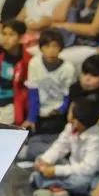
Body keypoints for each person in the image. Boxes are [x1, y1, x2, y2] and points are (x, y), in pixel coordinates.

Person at [32, 98, 99, 196]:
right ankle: (58, 190)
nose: (68, 115)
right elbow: (59, 146)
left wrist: (56, 170)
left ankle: (49, 184)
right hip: (71, 166)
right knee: (42, 159)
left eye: (70, 112)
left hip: (89, 174)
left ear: (77, 120)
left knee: (81, 182)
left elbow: (87, 169)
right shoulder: (71, 127)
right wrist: (45, 161)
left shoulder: (97, 139)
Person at [22, 29, 77, 158]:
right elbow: (33, 92)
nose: (51, 50)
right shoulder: (35, 63)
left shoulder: (68, 68)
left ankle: (51, 153)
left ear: (61, 48)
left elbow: (68, 96)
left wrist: (60, 110)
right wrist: (31, 117)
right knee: (32, 134)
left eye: (55, 46)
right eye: (47, 46)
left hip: (58, 114)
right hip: (40, 113)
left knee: (53, 136)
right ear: (41, 48)